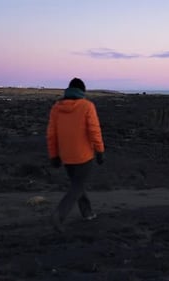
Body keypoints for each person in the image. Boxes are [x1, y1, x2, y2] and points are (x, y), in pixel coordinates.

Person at [47, 78, 105, 232]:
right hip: (84, 155)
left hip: (66, 155)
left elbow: (51, 135)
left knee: (77, 185)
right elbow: (94, 131)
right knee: (78, 186)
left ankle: (87, 213)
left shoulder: (56, 108)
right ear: (82, 91)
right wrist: (100, 151)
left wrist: (54, 155)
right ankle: (59, 214)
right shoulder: (87, 106)